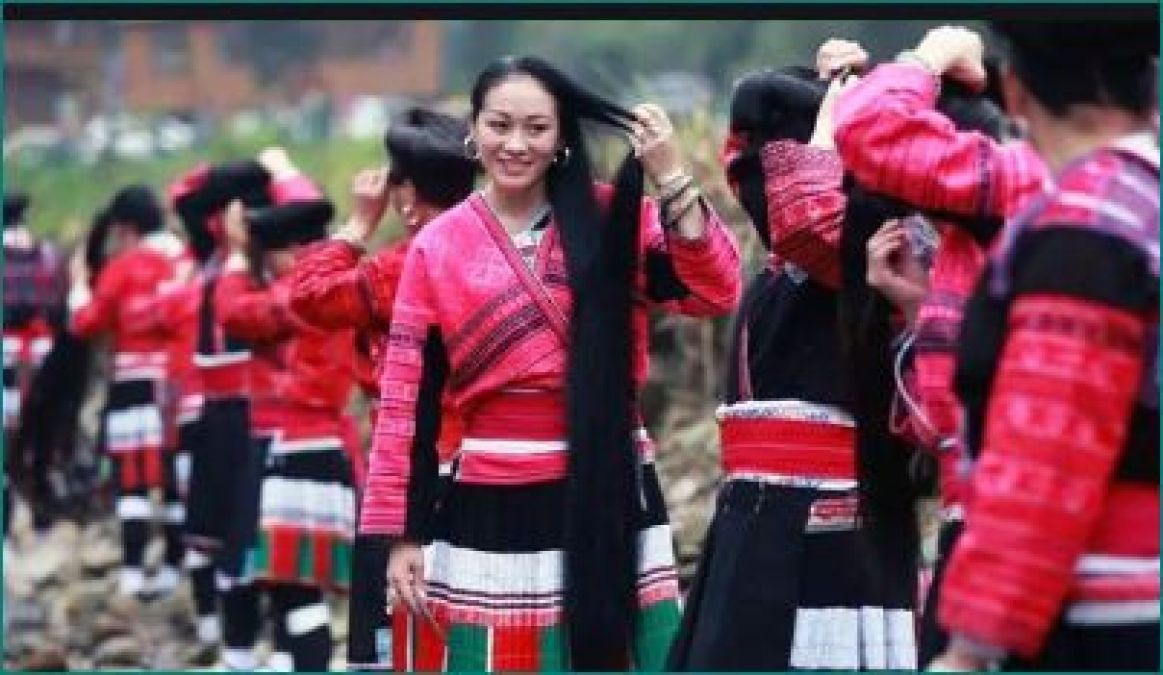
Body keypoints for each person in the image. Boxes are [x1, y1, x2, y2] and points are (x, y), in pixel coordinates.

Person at [358, 55, 741, 670]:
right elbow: (408, 398)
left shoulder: (615, 218)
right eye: (499, 125)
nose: (516, 144)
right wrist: (401, 536)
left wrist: (672, 177)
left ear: (562, 136)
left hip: (609, 478)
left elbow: (714, 290)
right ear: (474, 130)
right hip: (493, 490)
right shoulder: (436, 246)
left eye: (536, 128)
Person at [667, 66, 916, 670]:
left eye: (774, 160)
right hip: (752, 517)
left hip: (831, 520)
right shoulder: (779, 270)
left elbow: (804, 218)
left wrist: (838, 116)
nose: (754, 180)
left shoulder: (866, 250)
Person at [928, 21, 1158, 671]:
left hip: (1107, 614)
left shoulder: (1085, 225)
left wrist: (970, 649)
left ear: (1015, 91)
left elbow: (1046, 452)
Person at [823, 30, 1051, 662]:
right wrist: (918, 309)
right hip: (977, 528)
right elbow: (947, 424)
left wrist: (929, 54)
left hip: (1010, 535)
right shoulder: (961, 251)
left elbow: (869, 129)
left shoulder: (1017, 186)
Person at [288, 107, 477, 672]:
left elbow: (308, 296)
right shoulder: (497, 252)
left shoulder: (401, 267)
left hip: (407, 473)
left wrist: (358, 225)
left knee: (394, 638)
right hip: (487, 468)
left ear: (407, 196)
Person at [214, 155, 357, 671]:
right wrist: (288, 172)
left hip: (302, 445)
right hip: (329, 443)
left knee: (299, 589)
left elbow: (233, 312)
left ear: (296, 249)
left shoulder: (299, 291)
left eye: (272, 251)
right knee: (301, 586)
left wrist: (233, 256)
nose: (267, 263)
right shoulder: (344, 278)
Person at [68, 185, 188, 599]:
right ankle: (176, 567)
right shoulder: (184, 259)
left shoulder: (122, 268)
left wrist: (79, 284)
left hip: (133, 386)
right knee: (173, 479)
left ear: (126, 228)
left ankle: (135, 571)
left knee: (133, 482)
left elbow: (85, 322)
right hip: (179, 386)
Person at [3, 193, 67, 535]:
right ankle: (42, 509)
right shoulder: (48, 255)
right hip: (44, 356)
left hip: (7, 360)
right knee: (40, 435)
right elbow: (60, 308)